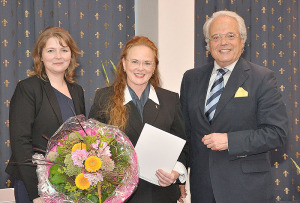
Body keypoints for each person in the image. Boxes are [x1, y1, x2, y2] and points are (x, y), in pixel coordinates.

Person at [180, 10, 288, 203]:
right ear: (208, 44)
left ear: (242, 40)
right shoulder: (191, 78)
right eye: (216, 37)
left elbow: (277, 133)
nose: (223, 42)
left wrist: (230, 140)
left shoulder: (262, 78)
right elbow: (186, 133)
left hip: (247, 190)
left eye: (230, 35)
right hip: (203, 189)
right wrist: (179, 171)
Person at [89, 36, 188, 203]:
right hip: (118, 195)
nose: (140, 68)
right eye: (134, 62)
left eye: (147, 63)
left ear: (155, 66)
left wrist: (175, 173)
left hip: (161, 193)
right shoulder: (104, 98)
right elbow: (91, 145)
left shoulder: (171, 100)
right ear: (124, 63)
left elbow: (183, 145)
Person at [5, 27, 86, 203]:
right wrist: (36, 193)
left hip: (68, 182)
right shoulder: (28, 88)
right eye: (51, 50)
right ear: (40, 56)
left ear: (71, 55)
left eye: (64, 50)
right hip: (33, 183)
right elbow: (20, 142)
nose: (58, 56)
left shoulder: (77, 91)